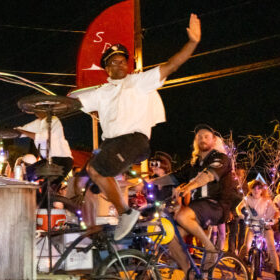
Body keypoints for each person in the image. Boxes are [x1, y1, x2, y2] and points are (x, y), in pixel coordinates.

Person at [71, 14, 202, 240]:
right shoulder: (101, 92)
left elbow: (171, 65)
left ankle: (126, 213)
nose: (119, 64)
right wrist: (47, 107)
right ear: (106, 68)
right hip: (111, 144)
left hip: (133, 140)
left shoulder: (139, 82)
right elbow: (74, 103)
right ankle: (108, 219)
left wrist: (192, 43)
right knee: (88, 175)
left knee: (97, 169)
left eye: (122, 61)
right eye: (113, 62)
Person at [153, 124, 239, 276]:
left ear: (213, 140)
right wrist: (147, 183)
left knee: (182, 215)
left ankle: (210, 248)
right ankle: (189, 275)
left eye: (206, 136)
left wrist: (190, 186)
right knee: (171, 238)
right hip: (197, 209)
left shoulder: (221, 158)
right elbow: (174, 176)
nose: (202, 139)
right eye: (199, 137)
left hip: (216, 205)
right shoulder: (194, 163)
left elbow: (209, 175)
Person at [237, 180, 280, 280]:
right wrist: (241, 215)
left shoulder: (266, 200)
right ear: (250, 189)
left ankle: (277, 271)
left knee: (271, 247)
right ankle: (238, 263)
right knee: (246, 245)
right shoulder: (247, 199)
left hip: (265, 225)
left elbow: (276, 211)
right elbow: (238, 208)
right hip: (252, 225)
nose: (256, 190)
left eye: (258, 188)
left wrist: (275, 218)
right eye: (254, 188)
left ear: (261, 190)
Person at [15, 111, 74, 187]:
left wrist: (23, 131)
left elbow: (43, 137)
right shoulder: (38, 122)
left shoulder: (53, 120)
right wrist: (5, 133)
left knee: (44, 185)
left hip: (61, 161)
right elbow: (20, 131)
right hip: (50, 160)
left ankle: (42, 196)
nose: (36, 112)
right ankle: (37, 197)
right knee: (26, 174)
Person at [228, 165, 248, 254]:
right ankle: (231, 253)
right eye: (238, 173)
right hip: (233, 210)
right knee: (233, 232)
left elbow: (248, 197)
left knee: (242, 234)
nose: (240, 175)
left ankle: (240, 254)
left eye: (242, 173)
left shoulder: (245, 184)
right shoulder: (231, 183)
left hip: (244, 212)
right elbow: (228, 198)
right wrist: (229, 211)